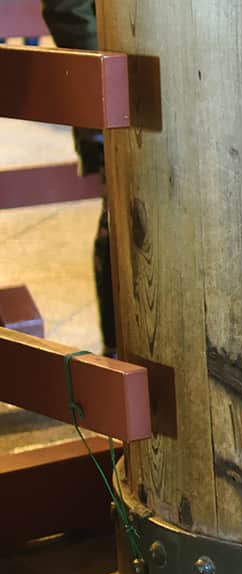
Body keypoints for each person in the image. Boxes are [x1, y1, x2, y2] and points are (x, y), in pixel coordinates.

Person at [40, 0, 115, 355]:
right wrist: (104, 91)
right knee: (120, 224)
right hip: (120, 89)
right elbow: (68, 8)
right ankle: (120, 359)